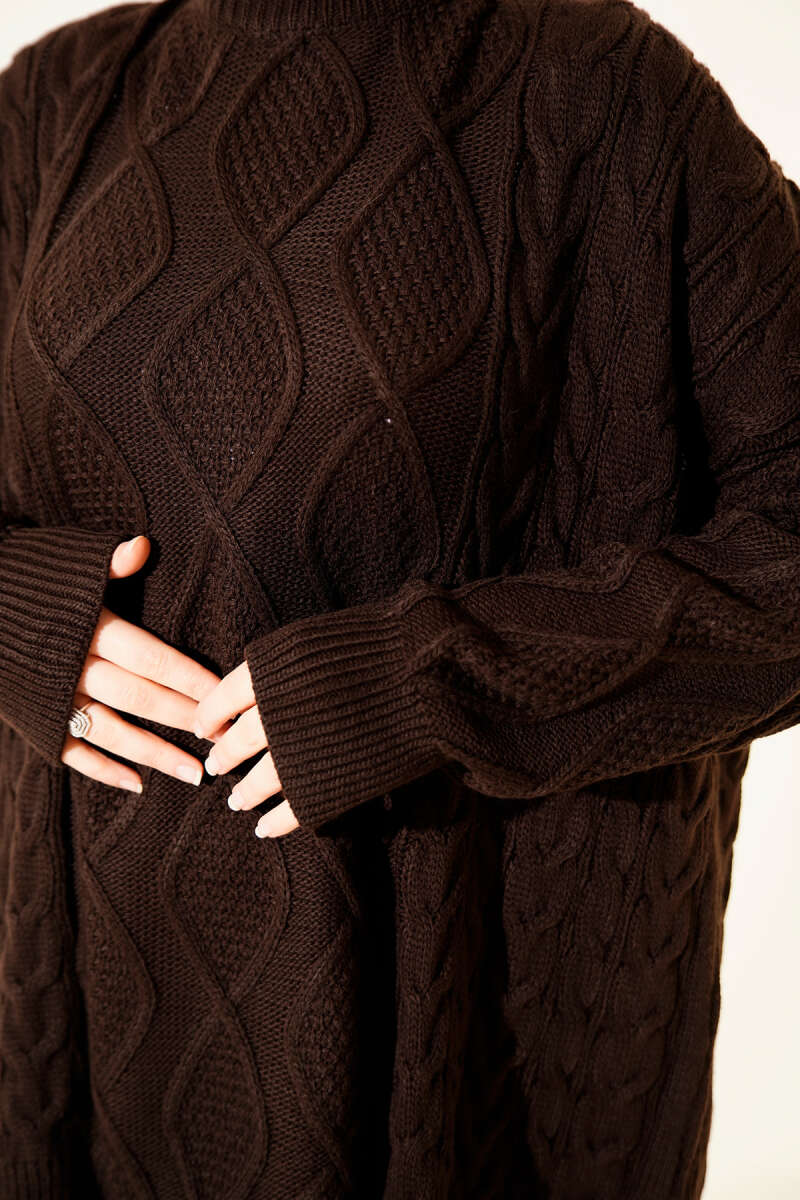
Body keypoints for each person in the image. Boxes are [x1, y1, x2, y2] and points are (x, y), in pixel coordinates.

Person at [0, 0, 797, 1195]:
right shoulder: (56, 98)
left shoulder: (609, 95)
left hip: (461, 1049)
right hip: (87, 1014)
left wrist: (431, 683)